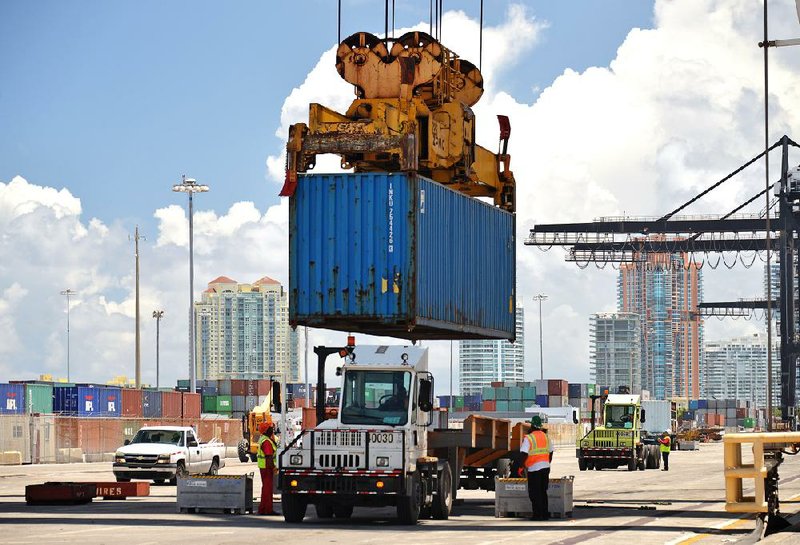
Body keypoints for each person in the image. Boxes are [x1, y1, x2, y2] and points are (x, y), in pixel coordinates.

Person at [520, 415, 554, 521]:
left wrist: (521, 467)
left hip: (534, 468)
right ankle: (544, 513)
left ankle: (537, 515)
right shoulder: (546, 436)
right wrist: (547, 462)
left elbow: (524, 454)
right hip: (545, 467)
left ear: (532, 425)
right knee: (543, 491)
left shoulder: (529, 438)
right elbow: (551, 451)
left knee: (535, 493)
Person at [257, 422, 278, 515]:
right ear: (266, 430)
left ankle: (263, 509)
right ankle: (268, 510)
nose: (272, 430)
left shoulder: (265, 439)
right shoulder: (266, 442)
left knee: (266, 488)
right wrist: (273, 468)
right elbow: (269, 456)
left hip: (264, 467)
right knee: (268, 489)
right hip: (267, 467)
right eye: (270, 428)